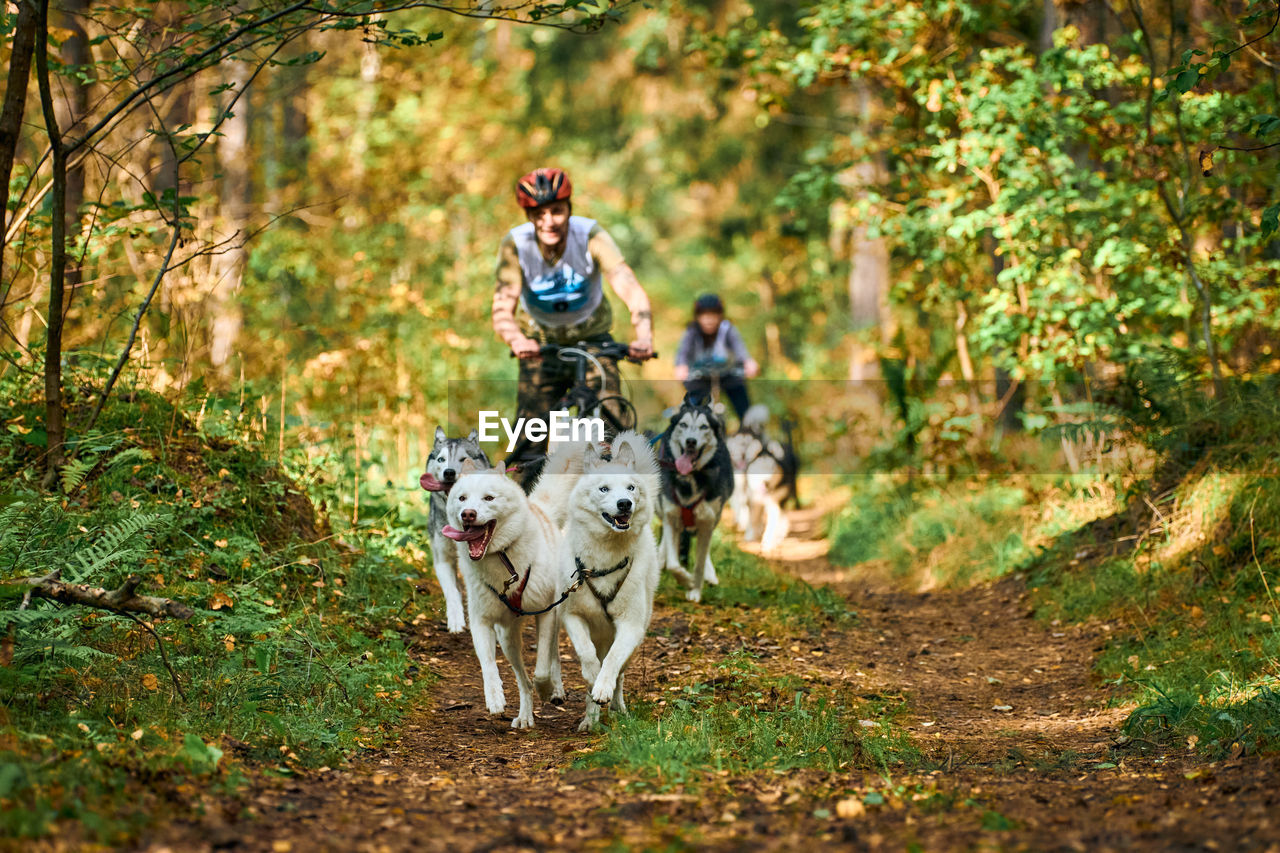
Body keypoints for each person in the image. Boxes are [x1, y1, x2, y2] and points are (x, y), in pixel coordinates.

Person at [492, 167, 654, 487]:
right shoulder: (516, 244)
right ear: (528, 214)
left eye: (556, 211)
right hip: (540, 344)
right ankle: (524, 515)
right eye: (538, 213)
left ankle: (620, 503)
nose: (548, 220)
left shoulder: (590, 235)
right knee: (530, 434)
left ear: (569, 209)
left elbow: (628, 284)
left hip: (593, 340)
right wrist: (515, 339)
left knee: (611, 419)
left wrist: (644, 335)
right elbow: (502, 306)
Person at [673, 293, 759, 421]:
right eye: (704, 315)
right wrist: (681, 366)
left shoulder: (727, 328)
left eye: (713, 315)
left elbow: (739, 348)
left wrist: (748, 362)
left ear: (720, 315)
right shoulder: (692, 331)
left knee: (743, 404)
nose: (709, 319)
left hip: (726, 373)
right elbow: (683, 353)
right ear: (697, 316)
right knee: (693, 409)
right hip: (700, 376)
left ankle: (750, 429)